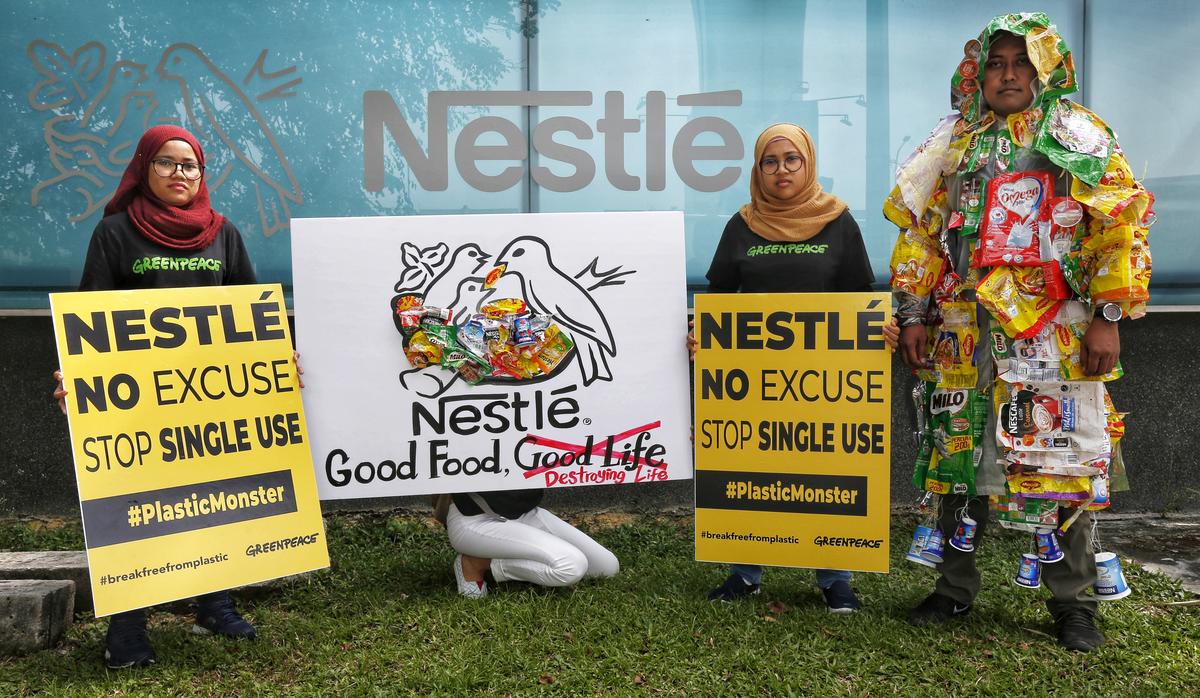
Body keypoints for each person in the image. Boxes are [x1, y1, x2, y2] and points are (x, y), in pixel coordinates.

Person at [885, 13, 1153, 652]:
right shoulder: (953, 140)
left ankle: (1073, 602)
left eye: (1021, 63)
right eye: (997, 64)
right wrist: (916, 312)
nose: (1008, 75)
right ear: (978, 74)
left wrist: (1107, 318)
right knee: (958, 457)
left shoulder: (1079, 136)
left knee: (1061, 457)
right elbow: (920, 231)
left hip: (1055, 331)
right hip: (963, 331)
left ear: (1045, 69)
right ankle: (954, 588)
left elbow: (1118, 230)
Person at [52, 125, 278, 668]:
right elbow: (91, 313)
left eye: (191, 165)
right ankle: (128, 624)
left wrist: (277, 359)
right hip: (137, 403)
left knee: (214, 494)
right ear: (143, 168)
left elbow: (250, 308)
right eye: (167, 163)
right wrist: (72, 375)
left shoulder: (224, 234)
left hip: (210, 397)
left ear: (202, 174)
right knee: (132, 505)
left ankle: (214, 602)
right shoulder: (115, 233)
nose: (180, 174)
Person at [688, 123, 895, 612]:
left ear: (809, 163)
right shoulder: (741, 225)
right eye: (770, 161)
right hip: (753, 382)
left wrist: (879, 332)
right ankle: (745, 574)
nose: (781, 170)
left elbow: (861, 298)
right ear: (757, 169)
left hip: (825, 380)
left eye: (791, 159)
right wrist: (703, 336)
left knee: (827, 466)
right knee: (752, 465)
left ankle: (835, 577)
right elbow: (718, 301)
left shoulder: (839, 221)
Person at [447, 490, 619, 598]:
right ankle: (476, 564)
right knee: (571, 567)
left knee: (607, 566)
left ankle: (495, 557)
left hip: (524, 513)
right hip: (475, 519)